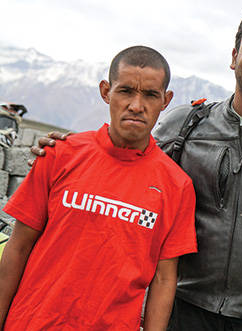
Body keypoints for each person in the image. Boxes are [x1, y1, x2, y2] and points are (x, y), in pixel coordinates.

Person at [32, 7, 242, 331]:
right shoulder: (186, 125)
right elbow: (126, 164)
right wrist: (68, 150)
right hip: (183, 312)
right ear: (234, 57)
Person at [0, 46, 197, 331]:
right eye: (126, 91)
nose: (136, 105)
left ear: (166, 100)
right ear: (106, 91)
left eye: (150, 95)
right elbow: (18, 248)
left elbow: (165, 280)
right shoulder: (60, 155)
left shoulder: (176, 186)